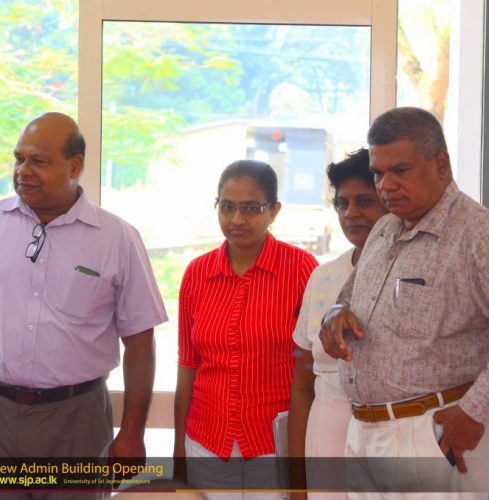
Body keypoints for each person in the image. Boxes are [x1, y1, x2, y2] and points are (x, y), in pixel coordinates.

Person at [320, 107, 489, 499]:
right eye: (378, 173)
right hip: (363, 435)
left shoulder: (476, 233)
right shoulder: (384, 229)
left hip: (431, 435)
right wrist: (336, 313)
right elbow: (350, 297)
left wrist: (476, 408)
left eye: (400, 170)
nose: (386, 185)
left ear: (441, 164)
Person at [0, 112, 168, 499]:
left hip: (77, 420)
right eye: (19, 159)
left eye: (38, 161)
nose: (23, 171)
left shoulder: (117, 238)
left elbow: (140, 342)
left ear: (75, 166)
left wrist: (132, 433)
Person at [174, 160, 318, 499]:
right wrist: (179, 447)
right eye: (227, 207)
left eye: (251, 208)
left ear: (274, 210)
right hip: (206, 442)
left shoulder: (301, 269)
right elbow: (188, 365)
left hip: (274, 444)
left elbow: (314, 368)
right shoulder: (197, 273)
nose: (237, 219)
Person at [287, 149, 387, 499]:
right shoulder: (323, 277)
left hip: (387, 437)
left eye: (364, 201)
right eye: (342, 203)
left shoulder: (411, 274)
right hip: (326, 431)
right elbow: (302, 386)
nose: (351, 213)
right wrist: (296, 483)